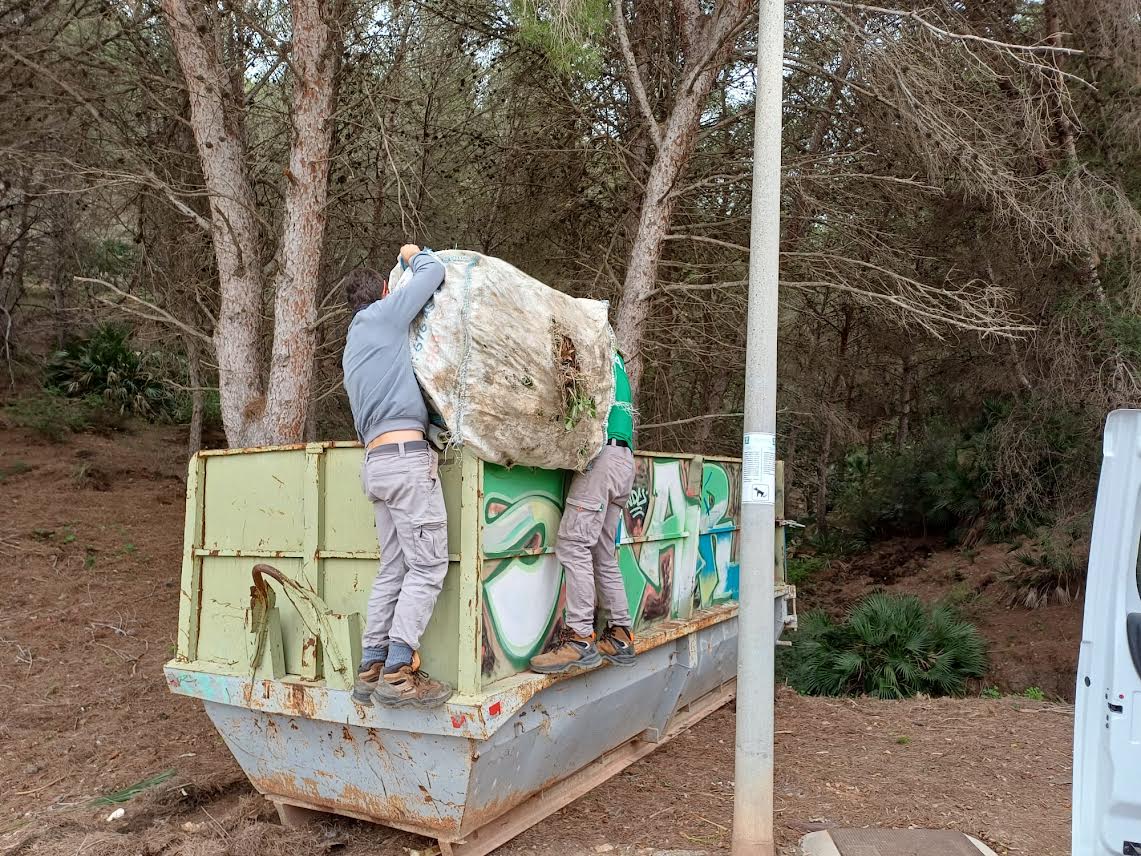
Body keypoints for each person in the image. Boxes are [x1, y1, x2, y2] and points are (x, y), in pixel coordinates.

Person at [342, 244, 453, 709]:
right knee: (428, 565)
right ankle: (399, 671)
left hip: (376, 464)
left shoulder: (352, 348)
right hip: (407, 461)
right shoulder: (386, 317)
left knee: (393, 566)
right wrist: (414, 253)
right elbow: (434, 272)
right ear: (386, 293)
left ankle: (370, 665)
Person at [530, 350, 637, 674]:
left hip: (602, 460)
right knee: (603, 553)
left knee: (574, 544)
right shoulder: (614, 357)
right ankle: (620, 634)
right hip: (623, 459)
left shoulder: (593, 352)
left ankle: (579, 638)